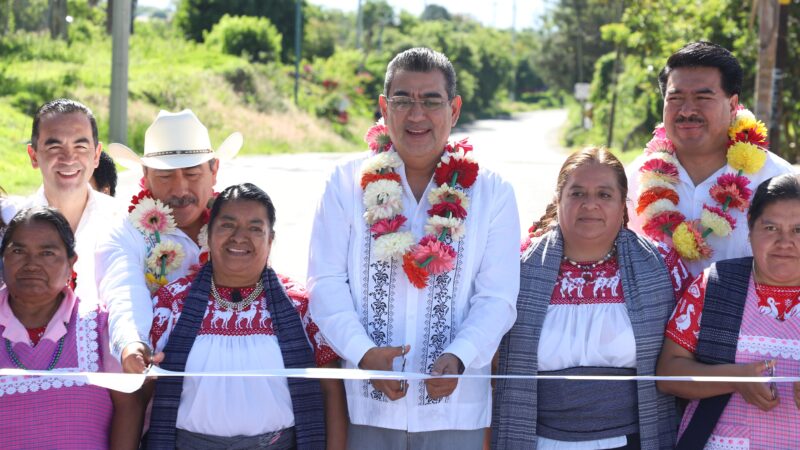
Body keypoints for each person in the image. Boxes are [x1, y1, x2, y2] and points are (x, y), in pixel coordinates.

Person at [308, 47, 520, 449]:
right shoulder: (344, 183)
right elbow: (325, 282)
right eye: (403, 100)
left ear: (454, 110)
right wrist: (364, 353)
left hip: (456, 409)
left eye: (431, 101)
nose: (417, 114)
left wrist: (460, 356)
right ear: (384, 109)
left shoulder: (492, 193)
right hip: (367, 406)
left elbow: (498, 296)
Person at [493, 147, 691, 449]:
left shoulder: (663, 267)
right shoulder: (517, 268)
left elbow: (686, 356)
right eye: (577, 194)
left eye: (604, 195)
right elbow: (489, 360)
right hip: (538, 441)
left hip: (633, 441)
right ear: (559, 200)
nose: (590, 205)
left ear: (624, 205)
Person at [145, 183, 346, 449]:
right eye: (228, 225)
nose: (240, 237)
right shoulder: (171, 303)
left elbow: (331, 392)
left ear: (270, 239)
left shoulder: (300, 305)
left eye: (254, 228)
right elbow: (141, 394)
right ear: (209, 234)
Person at [657, 173, 800, 449]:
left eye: (799, 230)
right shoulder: (714, 285)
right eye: (771, 228)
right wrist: (735, 378)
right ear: (750, 227)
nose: (785, 242)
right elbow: (668, 372)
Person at [626, 41, 794, 276]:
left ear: (733, 104)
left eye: (702, 98)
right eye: (675, 99)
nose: (686, 111)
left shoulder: (775, 178)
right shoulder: (635, 179)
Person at [99, 109, 242, 373]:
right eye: (165, 176)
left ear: (214, 171)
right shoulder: (127, 232)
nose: (179, 190)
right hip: (157, 374)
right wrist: (132, 342)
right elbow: (124, 291)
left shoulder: (240, 226)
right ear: (145, 176)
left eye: (192, 174)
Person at [0, 207, 142, 449]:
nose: (31, 264)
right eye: (18, 251)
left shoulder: (99, 325)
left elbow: (129, 406)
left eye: (47, 253)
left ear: (71, 262)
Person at [8, 99, 122, 310]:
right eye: (54, 146)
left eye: (80, 145)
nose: (69, 158)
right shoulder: (11, 224)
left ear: (96, 155)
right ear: (33, 156)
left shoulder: (124, 221)